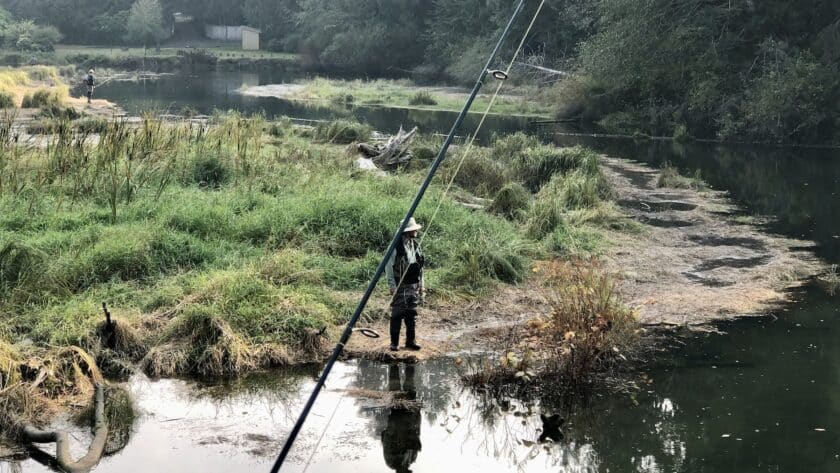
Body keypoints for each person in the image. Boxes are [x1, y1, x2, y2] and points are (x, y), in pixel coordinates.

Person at [385, 217, 425, 352]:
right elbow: (388, 267)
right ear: (407, 231)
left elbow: (421, 267)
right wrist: (392, 285)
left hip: (414, 285)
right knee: (397, 314)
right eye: (413, 229)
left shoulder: (415, 244)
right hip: (400, 285)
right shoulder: (395, 246)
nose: (416, 231)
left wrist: (421, 284)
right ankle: (394, 343)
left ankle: (410, 341)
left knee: (411, 314)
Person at [381, 362, 421, 473]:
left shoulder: (392, 462)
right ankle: (408, 362)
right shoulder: (410, 460)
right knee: (408, 385)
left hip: (398, 416)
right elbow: (417, 434)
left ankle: (395, 361)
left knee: (396, 388)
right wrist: (418, 415)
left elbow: (385, 437)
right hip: (407, 415)